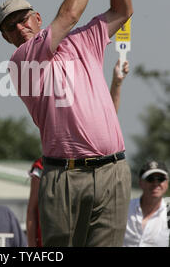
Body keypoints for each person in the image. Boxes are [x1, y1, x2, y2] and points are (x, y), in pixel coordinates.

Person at [0, 0, 133, 247]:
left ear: (37, 19)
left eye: (23, 19)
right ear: (5, 38)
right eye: (10, 27)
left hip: (113, 170)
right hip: (64, 176)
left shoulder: (83, 40)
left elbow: (123, 10)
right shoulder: (22, 61)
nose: (19, 28)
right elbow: (69, 16)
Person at [26, 60, 130, 247]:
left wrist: (116, 83)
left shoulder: (88, 90)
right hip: (63, 175)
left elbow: (109, 119)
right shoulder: (41, 84)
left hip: (105, 173)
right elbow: (32, 211)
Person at [123, 161, 170, 247]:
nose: (156, 183)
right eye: (150, 179)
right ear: (141, 182)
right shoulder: (124, 209)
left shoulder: (168, 212)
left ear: (167, 183)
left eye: (161, 179)